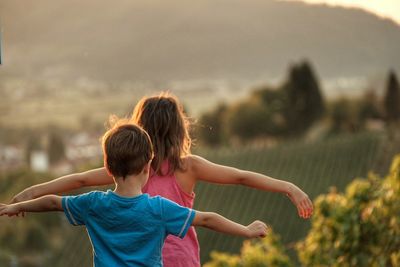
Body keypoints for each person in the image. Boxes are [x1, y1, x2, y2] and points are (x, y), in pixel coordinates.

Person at [11, 92, 313, 267]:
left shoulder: (126, 167)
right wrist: (288, 186)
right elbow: (241, 178)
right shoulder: (188, 167)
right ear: (178, 130)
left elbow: (76, 182)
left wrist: (32, 191)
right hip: (180, 260)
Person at [1, 122, 268, 267]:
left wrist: (17, 207)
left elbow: (53, 202)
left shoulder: (94, 203)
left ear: (108, 167)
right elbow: (208, 219)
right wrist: (246, 230)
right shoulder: (160, 209)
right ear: (147, 167)